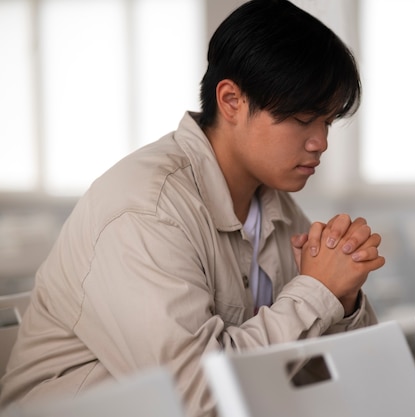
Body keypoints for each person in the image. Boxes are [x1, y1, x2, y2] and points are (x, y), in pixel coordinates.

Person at [0, 1, 385, 416]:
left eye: (327, 122)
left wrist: (342, 298)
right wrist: (317, 292)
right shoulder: (147, 209)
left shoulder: (276, 206)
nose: (320, 142)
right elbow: (197, 399)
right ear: (232, 101)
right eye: (303, 118)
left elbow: (350, 379)